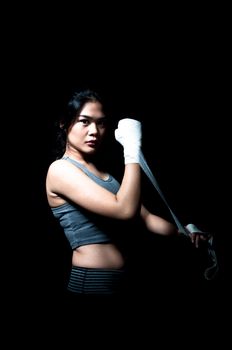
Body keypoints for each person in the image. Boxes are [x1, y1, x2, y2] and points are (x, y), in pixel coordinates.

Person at [45, 89, 208, 304]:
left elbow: (146, 218)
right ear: (64, 123)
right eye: (84, 121)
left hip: (121, 283)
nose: (94, 131)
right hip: (91, 283)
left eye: (101, 123)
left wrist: (186, 234)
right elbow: (124, 211)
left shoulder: (103, 174)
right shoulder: (60, 170)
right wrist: (131, 149)